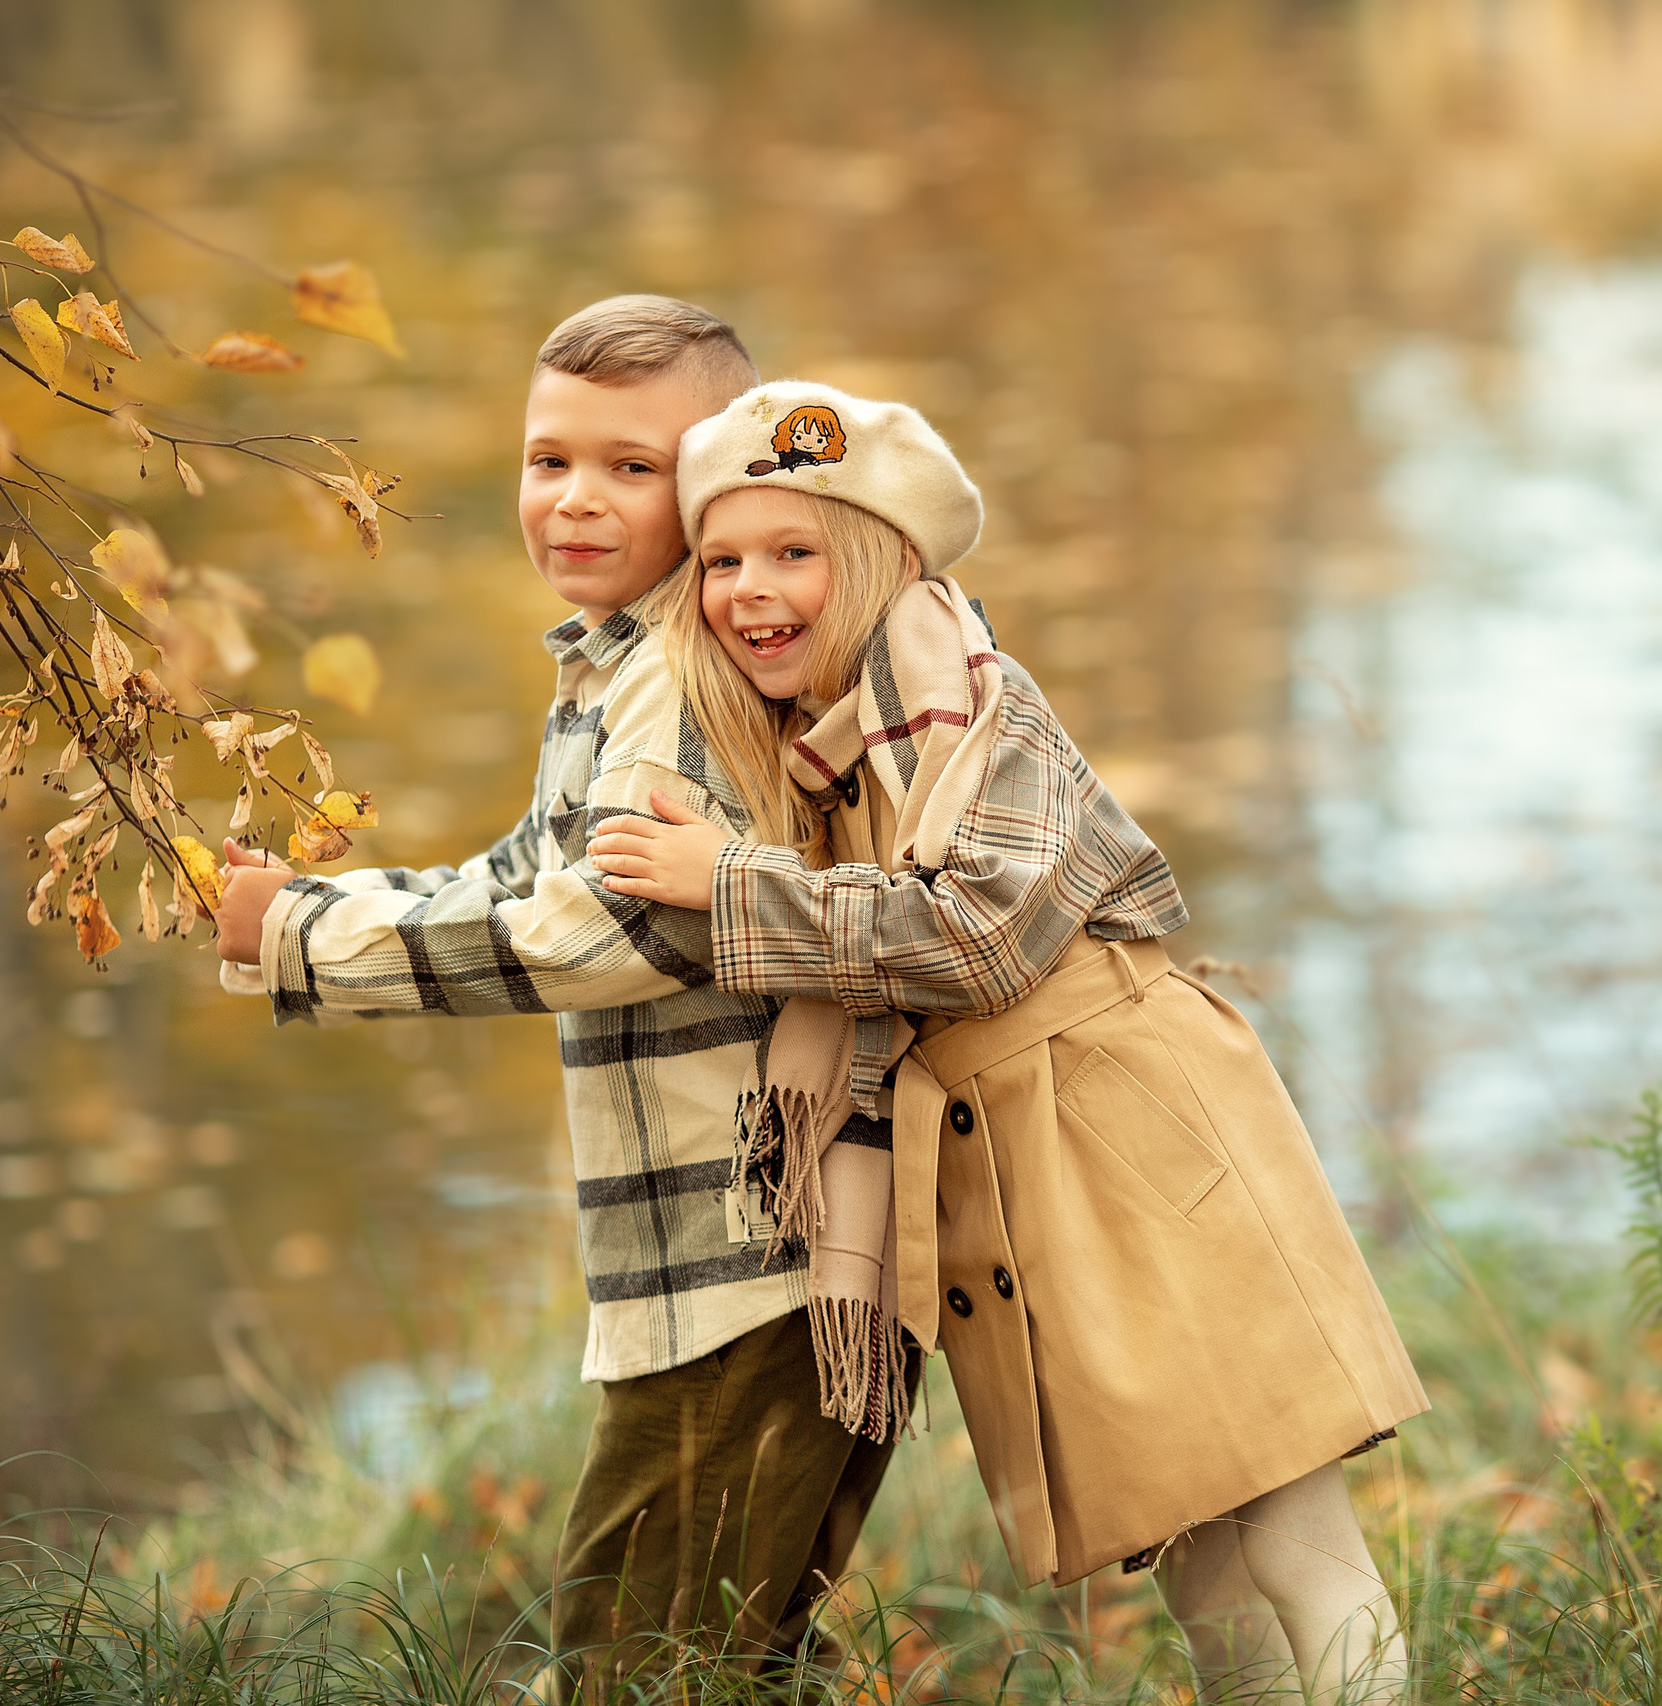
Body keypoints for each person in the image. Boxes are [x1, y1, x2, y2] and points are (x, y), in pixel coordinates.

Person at [584, 380, 1431, 1705]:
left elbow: (978, 936)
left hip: (1134, 1123)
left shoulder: (975, 703)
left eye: (795, 552)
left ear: (874, 560)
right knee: (1196, 1554)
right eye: (724, 559)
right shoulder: (823, 757)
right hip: (1019, 1162)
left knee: (1291, 1527)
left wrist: (729, 883)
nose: (751, 588)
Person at [210, 301, 896, 1693]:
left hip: (749, 1269)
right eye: (548, 460)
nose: (576, 499)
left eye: (631, 468)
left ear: (712, 481)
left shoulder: (691, 675)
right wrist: (302, 909)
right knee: (728, 1653)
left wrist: (302, 941)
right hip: (709, 1268)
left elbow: (605, 934)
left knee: (634, 1663)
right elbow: (527, 873)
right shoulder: (613, 663)